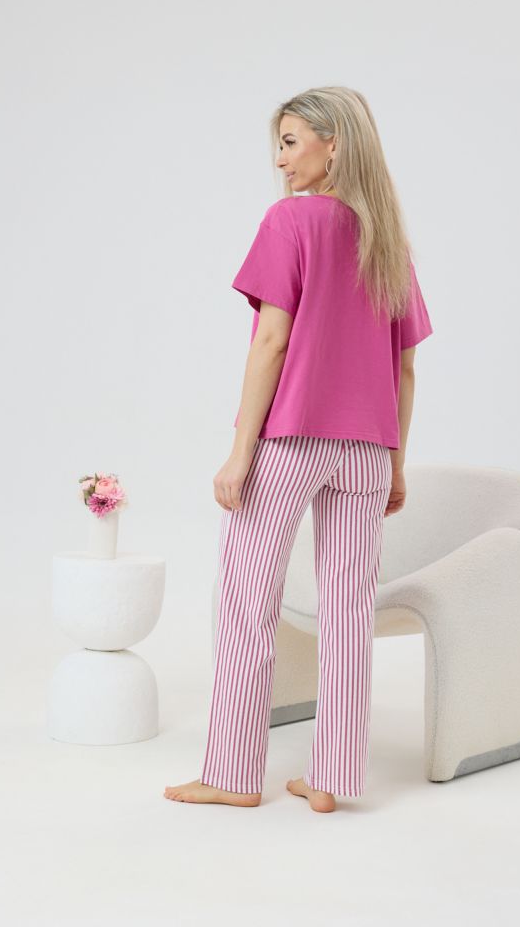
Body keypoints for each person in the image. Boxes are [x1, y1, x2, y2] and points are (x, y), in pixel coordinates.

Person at [164, 86, 433, 813]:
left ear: (332, 142)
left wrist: (239, 452)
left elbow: (271, 342)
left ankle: (231, 774)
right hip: (368, 451)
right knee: (349, 612)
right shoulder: (388, 242)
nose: (280, 161)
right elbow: (405, 366)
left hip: (291, 441)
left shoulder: (290, 221)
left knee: (247, 602)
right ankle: (332, 778)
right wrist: (395, 463)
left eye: (289, 142)